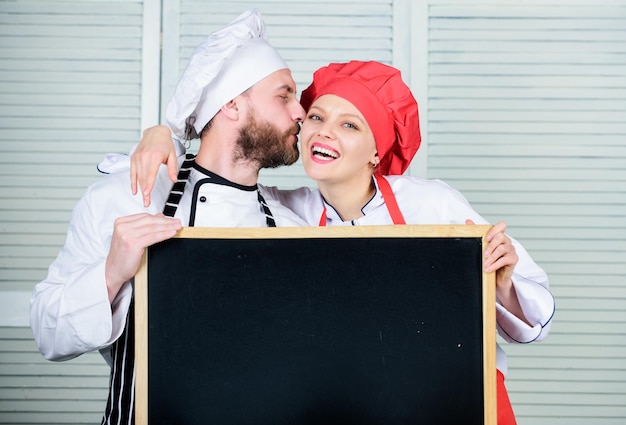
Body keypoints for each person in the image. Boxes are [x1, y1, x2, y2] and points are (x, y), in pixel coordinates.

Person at [117, 60, 555, 424]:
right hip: (361, 406)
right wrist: (166, 133)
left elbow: (538, 320)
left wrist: (502, 284)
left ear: (376, 152)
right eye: (316, 117)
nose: (324, 132)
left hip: (456, 400)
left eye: (349, 125)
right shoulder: (284, 210)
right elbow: (220, 170)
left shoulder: (433, 204)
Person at [29, 9, 308, 424]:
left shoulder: (290, 228)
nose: (301, 112)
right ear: (232, 104)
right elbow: (47, 335)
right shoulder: (125, 198)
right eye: (284, 96)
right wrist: (109, 274)